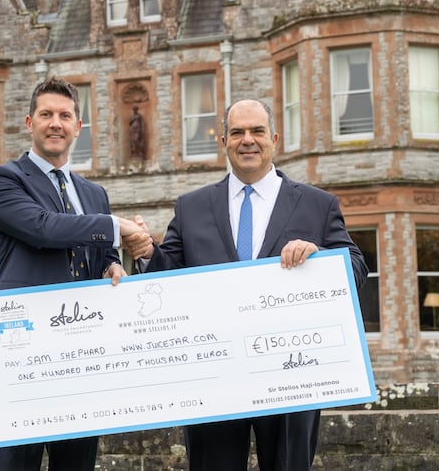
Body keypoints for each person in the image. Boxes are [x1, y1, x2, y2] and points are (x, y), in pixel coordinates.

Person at [123, 98, 369, 471]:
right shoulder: (192, 207)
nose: (247, 140)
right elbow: (167, 272)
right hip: (215, 376)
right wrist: (144, 251)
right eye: (236, 132)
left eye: (256, 131)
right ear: (224, 141)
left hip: (293, 373)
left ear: (274, 138)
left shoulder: (318, 205)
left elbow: (355, 267)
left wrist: (318, 256)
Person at [0, 76, 152, 471]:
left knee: (77, 463)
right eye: (46, 115)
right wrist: (117, 225)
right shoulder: (2, 180)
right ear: (29, 123)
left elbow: (105, 256)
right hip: (25, 351)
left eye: (65, 115)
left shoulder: (94, 194)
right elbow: (43, 227)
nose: (55, 123)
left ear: (78, 126)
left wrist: (114, 263)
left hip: (82, 352)